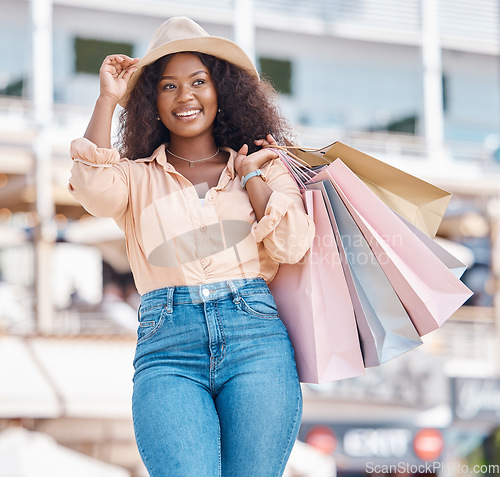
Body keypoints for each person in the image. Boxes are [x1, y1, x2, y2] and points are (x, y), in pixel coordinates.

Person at [68, 16, 315, 477]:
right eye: (168, 86)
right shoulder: (136, 177)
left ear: (221, 90)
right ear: (150, 102)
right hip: (168, 348)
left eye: (198, 81)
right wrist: (107, 98)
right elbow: (91, 186)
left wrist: (252, 177)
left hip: (256, 341)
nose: (185, 96)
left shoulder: (264, 163)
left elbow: (292, 244)